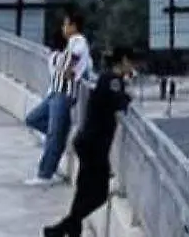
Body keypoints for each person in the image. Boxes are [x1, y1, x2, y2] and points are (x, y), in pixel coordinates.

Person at [43, 45, 135, 237]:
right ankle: (64, 226)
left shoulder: (108, 78)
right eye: (131, 62)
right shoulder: (112, 81)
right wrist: (128, 95)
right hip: (94, 146)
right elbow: (120, 102)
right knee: (100, 194)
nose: (133, 67)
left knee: (84, 191)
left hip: (88, 143)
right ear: (124, 60)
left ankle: (67, 229)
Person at [25, 9, 92, 186]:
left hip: (64, 94)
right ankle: (59, 140)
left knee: (54, 133)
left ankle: (45, 174)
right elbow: (61, 65)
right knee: (33, 119)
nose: (63, 27)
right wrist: (61, 62)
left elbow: (68, 66)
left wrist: (61, 62)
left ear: (73, 25)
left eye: (65, 24)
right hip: (55, 92)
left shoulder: (79, 42)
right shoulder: (70, 44)